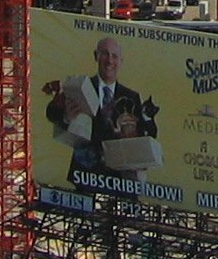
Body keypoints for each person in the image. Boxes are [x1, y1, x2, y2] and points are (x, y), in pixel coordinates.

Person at [46, 33, 159, 184]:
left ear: (121, 61)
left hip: (119, 179)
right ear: (96, 56)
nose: (109, 60)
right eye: (105, 54)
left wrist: (142, 123)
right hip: (85, 176)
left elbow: (149, 134)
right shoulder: (81, 87)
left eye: (114, 56)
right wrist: (67, 116)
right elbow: (51, 112)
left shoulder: (131, 97)